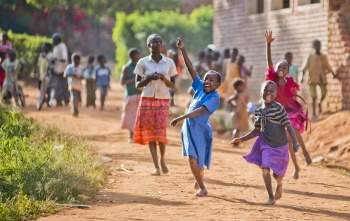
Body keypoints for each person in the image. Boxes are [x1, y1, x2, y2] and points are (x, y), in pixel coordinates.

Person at [230, 81, 300, 205]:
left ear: (276, 93)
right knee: (265, 169)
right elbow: (256, 131)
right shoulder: (259, 111)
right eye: (265, 90)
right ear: (261, 93)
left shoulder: (279, 108)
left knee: (277, 175)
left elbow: (288, 126)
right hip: (266, 145)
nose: (268, 93)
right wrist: (241, 139)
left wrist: (294, 142)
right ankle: (271, 196)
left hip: (280, 146)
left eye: (271, 91)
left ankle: (279, 184)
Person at [171, 38, 221, 197]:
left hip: (200, 130)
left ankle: (200, 177)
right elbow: (190, 67)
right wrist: (183, 50)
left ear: (217, 85)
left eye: (212, 80)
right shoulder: (199, 87)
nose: (207, 81)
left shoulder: (215, 96)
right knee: (192, 160)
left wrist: (181, 117)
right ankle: (202, 187)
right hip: (189, 129)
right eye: (206, 78)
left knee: (199, 161)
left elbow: (199, 111)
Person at [265, 30, 312, 179]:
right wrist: (268, 45)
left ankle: (305, 152)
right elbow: (269, 63)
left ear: (287, 71)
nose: (281, 69)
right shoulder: (272, 80)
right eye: (279, 67)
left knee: (293, 130)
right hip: (277, 113)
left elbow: (290, 97)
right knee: (288, 142)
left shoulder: (290, 82)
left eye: (284, 68)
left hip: (290, 111)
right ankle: (297, 167)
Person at [133, 34, 177, 175]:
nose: (157, 44)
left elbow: (174, 85)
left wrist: (164, 79)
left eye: (159, 42)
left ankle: (163, 159)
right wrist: (149, 78)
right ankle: (156, 166)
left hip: (163, 99)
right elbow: (137, 85)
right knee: (151, 134)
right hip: (147, 99)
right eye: (154, 42)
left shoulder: (169, 63)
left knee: (161, 132)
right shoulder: (142, 62)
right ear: (149, 46)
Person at [301, 39, 336, 119]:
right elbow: (304, 68)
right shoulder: (310, 56)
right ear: (313, 46)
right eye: (316, 45)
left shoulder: (323, 57)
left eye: (319, 45)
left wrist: (333, 74)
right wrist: (301, 77)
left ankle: (320, 103)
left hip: (322, 78)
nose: (318, 47)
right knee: (314, 97)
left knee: (324, 93)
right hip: (312, 79)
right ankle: (314, 114)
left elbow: (328, 66)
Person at [121, 48, 142, 143]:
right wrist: (134, 79)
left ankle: (138, 135)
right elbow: (122, 81)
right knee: (130, 115)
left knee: (139, 115)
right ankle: (130, 135)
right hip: (130, 95)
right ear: (133, 56)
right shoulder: (126, 67)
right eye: (138, 54)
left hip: (140, 94)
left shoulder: (140, 67)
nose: (139, 55)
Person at [50, 33, 69, 107]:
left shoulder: (62, 46)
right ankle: (58, 101)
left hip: (63, 70)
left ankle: (66, 101)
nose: (52, 41)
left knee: (65, 87)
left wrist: (58, 60)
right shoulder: (55, 48)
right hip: (57, 71)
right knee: (56, 86)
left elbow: (64, 58)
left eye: (53, 40)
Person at [36, 43, 53, 110]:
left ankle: (46, 101)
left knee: (46, 89)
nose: (43, 48)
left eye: (45, 47)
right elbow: (39, 65)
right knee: (41, 88)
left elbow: (51, 65)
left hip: (47, 76)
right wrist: (37, 74)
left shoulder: (51, 55)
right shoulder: (41, 55)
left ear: (49, 48)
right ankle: (45, 100)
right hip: (41, 75)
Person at [167, 39, 183, 106]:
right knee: (172, 87)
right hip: (173, 72)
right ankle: (172, 102)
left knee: (169, 87)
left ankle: (170, 101)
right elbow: (175, 64)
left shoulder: (168, 52)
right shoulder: (175, 53)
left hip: (168, 72)